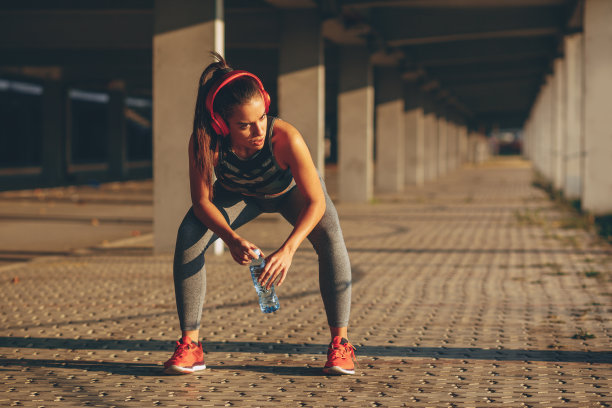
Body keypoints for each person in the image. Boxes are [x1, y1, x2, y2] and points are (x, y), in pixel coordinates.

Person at [163, 52, 355, 376]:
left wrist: (289, 249)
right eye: (245, 125)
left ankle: (341, 345)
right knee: (189, 233)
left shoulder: (285, 138)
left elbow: (316, 202)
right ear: (221, 124)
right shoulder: (204, 143)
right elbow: (202, 202)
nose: (258, 130)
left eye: (262, 117)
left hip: (289, 193)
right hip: (241, 196)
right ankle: (191, 345)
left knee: (329, 232)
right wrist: (232, 237)